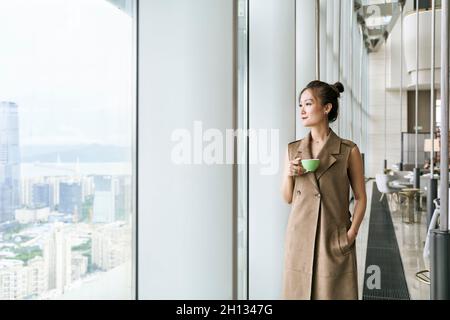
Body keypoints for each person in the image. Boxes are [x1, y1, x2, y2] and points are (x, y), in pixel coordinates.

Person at [281, 80, 367, 300]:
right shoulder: (293, 150)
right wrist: (288, 173)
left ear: (327, 108)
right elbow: (287, 198)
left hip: (333, 239)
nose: (302, 110)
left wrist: (351, 234)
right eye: (300, 105)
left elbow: (360, 197)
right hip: (299, 238)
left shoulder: (349, 150)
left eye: (308, 104)